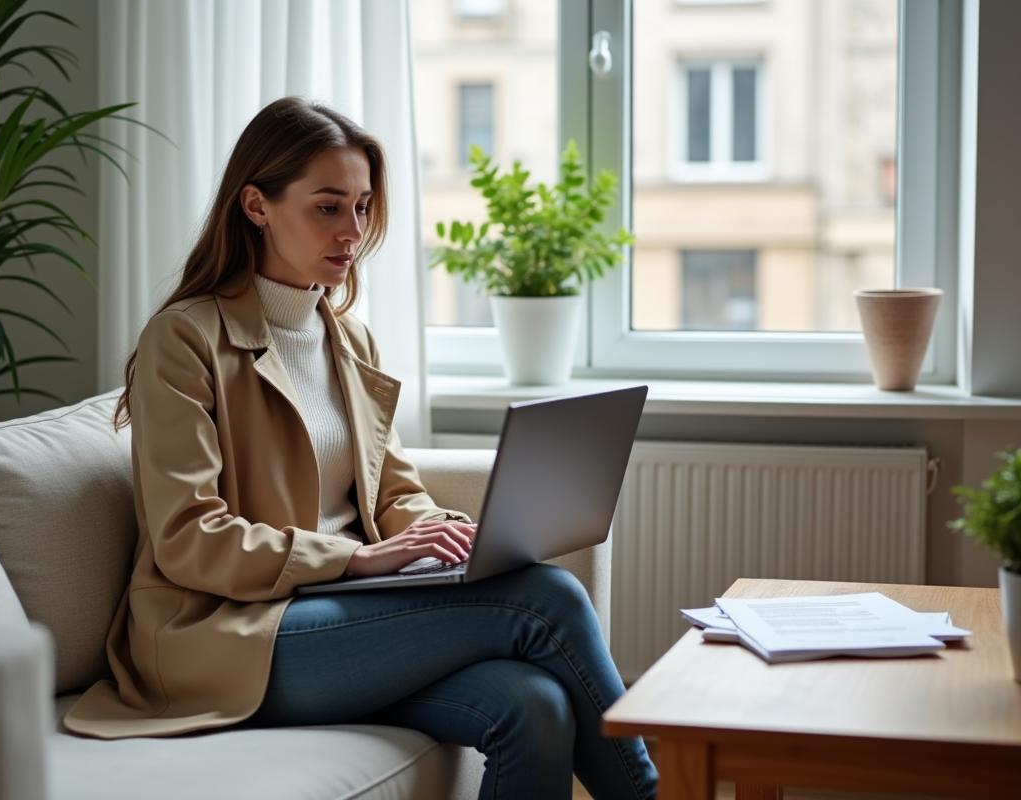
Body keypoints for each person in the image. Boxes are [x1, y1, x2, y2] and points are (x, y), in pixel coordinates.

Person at [63, 96, 658, 800]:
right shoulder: (186, 340)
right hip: (225, 637)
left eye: (364, 207)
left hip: (336, 618)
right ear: (256, 205)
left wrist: (445, 535)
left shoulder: (346, 336)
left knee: (534, 705)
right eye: (328, 207)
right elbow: (188, 538)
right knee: (546, 598)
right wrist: (356, 557)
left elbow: (391, 491)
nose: (353, 231)